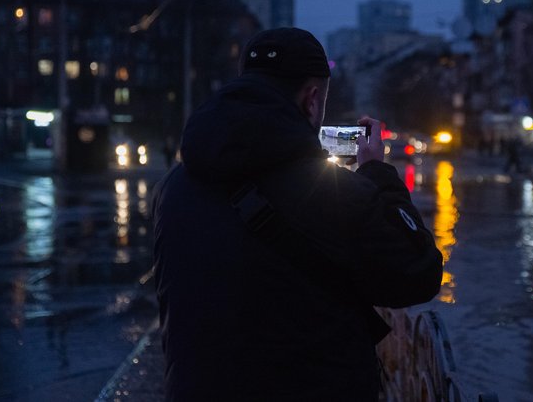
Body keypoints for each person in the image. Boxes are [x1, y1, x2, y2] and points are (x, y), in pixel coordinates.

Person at [152, 27, 443, 401]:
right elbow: (419, 273)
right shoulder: (333, 192)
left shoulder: (173, 187)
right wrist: (377, 173)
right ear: (311, 100)